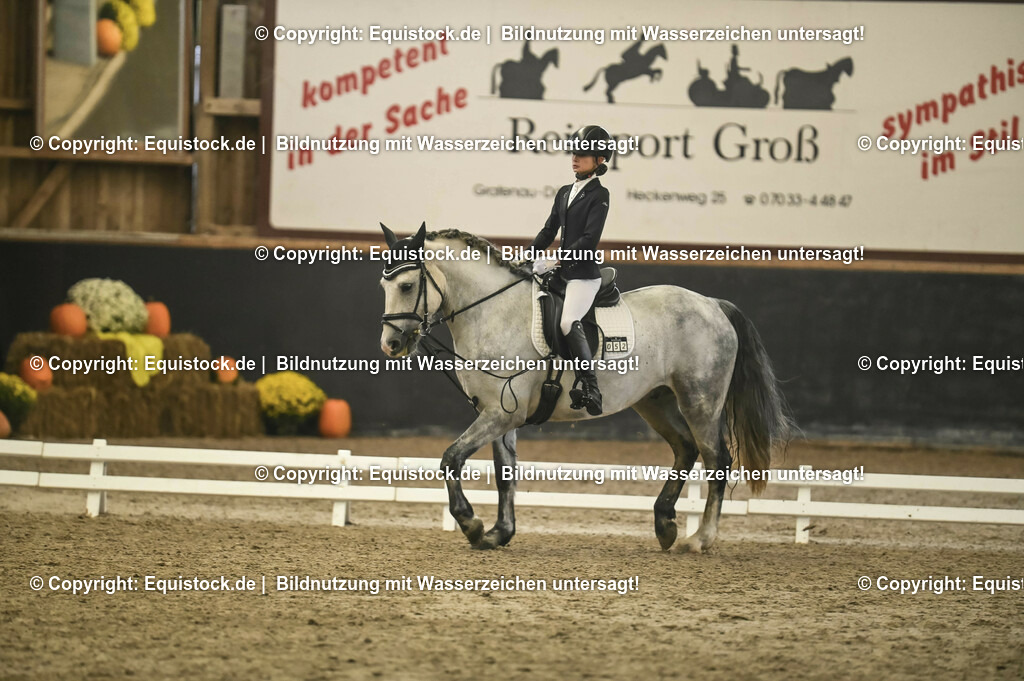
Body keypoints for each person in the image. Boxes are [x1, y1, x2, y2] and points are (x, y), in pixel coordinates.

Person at [529, 124, 613, 416]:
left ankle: (592, 387)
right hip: (561, 273)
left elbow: (589, 239)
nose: (575, 158)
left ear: (600, 160)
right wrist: (527, 257)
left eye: (584, 154)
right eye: (574, 153)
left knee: (567, 323)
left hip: (582, 275)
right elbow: (548, 229)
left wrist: (558, 259)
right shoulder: (565, 192)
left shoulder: (600, 195)